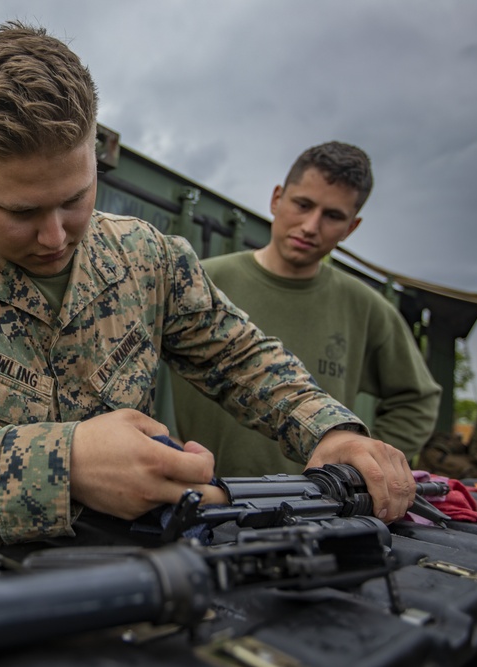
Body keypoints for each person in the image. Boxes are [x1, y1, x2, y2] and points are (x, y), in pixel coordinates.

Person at [0, 23, 416, 547]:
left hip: (128, 590)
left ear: (93, 155)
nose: (54, 236)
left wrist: (328, 427)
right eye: (21, 212)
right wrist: (62, 464)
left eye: (75, 199)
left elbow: (239, 357)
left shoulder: (147, 257)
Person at [172, 141, 441, 478]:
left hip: (316, 508)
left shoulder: (366, 307)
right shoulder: (200, 282)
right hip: (206, 497)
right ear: (276, 199)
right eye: (302, 204)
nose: (311, 226)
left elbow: (417, 399)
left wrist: (365, 464)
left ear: (351, 227)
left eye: (332, 216)